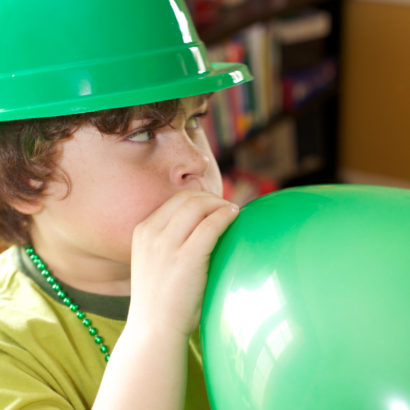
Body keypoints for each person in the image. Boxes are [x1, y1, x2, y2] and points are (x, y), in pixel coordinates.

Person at [0, 0, 252, 408]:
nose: (197, 160)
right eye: (143, 133)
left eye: (193, 121)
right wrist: (157, 328)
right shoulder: (10, 352)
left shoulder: (246, 270)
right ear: (26, 179)